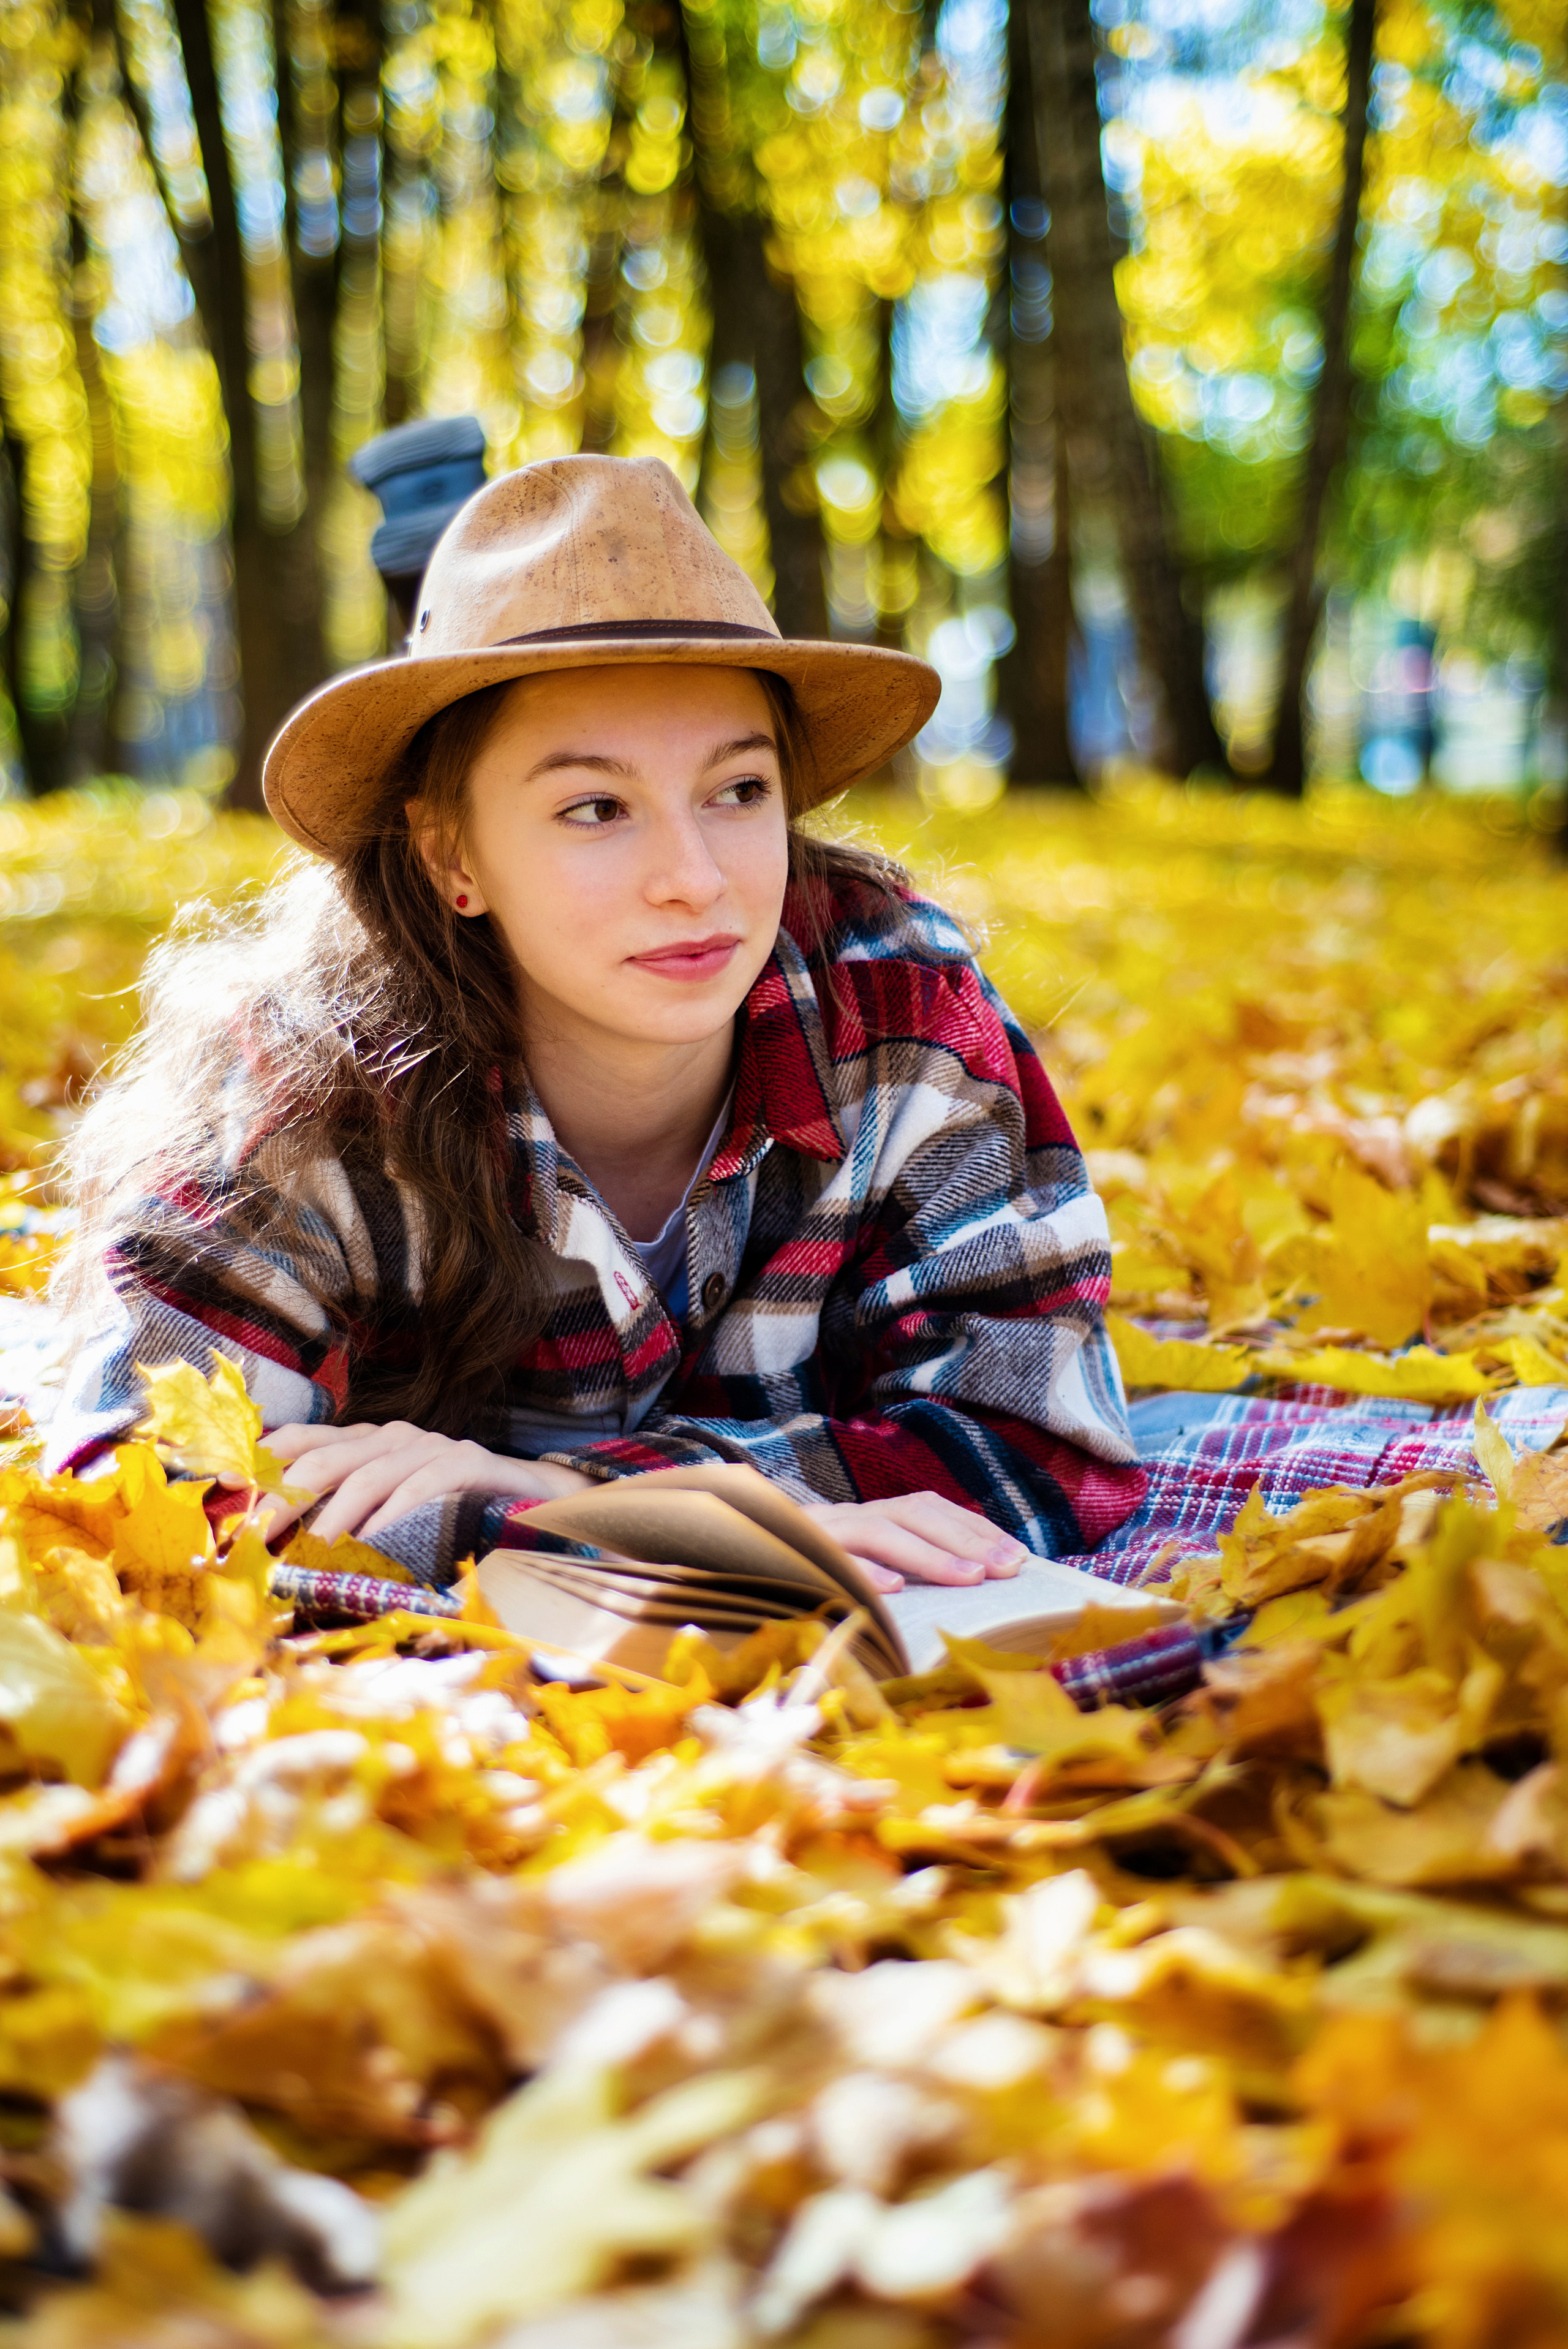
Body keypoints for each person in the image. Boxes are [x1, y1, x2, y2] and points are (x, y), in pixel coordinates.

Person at [49, 455, 1146, 1595]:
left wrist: (596, 1502)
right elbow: (133, 1494)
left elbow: (1041, 1438)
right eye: (595, 807)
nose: (694, 879)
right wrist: (724, 1512)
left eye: (738, 791)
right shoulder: (314, 1081)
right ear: (454, 855)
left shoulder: (896, 1004)